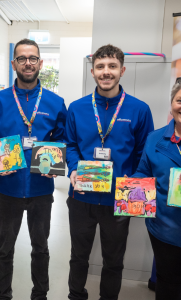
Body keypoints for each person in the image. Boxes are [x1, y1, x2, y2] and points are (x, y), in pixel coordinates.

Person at [64, 44, 154, 300]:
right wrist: (72, 168)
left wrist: (134, 189)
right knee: (78, 256)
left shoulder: (139, 109)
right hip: (82, 195)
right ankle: (76, 295)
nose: (106, 72)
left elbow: (142, 155)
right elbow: (70, 145)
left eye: (112, 66)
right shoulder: (77, 108)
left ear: (122, 70)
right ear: (92, 71)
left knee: (114, 260)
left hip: (119, 199)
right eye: (100, 67)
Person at [0, 38, 67, 300]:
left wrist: (55, 161)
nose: (27, 63)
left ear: (40, 62)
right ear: (13, 63)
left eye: (32, 58)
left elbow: (63, 140)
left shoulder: (55, 102)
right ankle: (2, 295)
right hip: (8, 189)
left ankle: (39, 295)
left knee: (40, 248)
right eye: (22, 58)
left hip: (41, 189)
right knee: (4, 249)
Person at [132, 81, 181, 300]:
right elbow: (144, 171)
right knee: (167, 284)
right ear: (171, 105)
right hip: (165, 229)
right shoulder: (154, 139)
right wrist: (129, 186)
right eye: (180, 100)